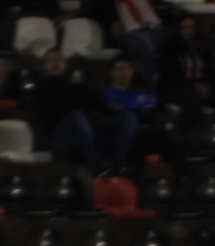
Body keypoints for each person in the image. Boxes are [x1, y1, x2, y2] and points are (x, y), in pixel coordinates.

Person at [33, 47, 137, 175]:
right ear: (43, 67)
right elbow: (59, 109)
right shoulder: (41, 88)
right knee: (76, 116)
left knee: (127, 117)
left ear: (65, 64)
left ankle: (119, 166)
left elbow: (100, 105)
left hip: (88, 131)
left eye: (59, 59)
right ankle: (98, 169)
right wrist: (81, 97)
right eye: (50, 60)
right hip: (60, 138)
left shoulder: (77, 86)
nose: (55, 63)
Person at [114, 0, 164, 85]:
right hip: (133, 31)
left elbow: (161, 8)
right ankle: (147, 89)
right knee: (146, 47)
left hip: (157, 28)